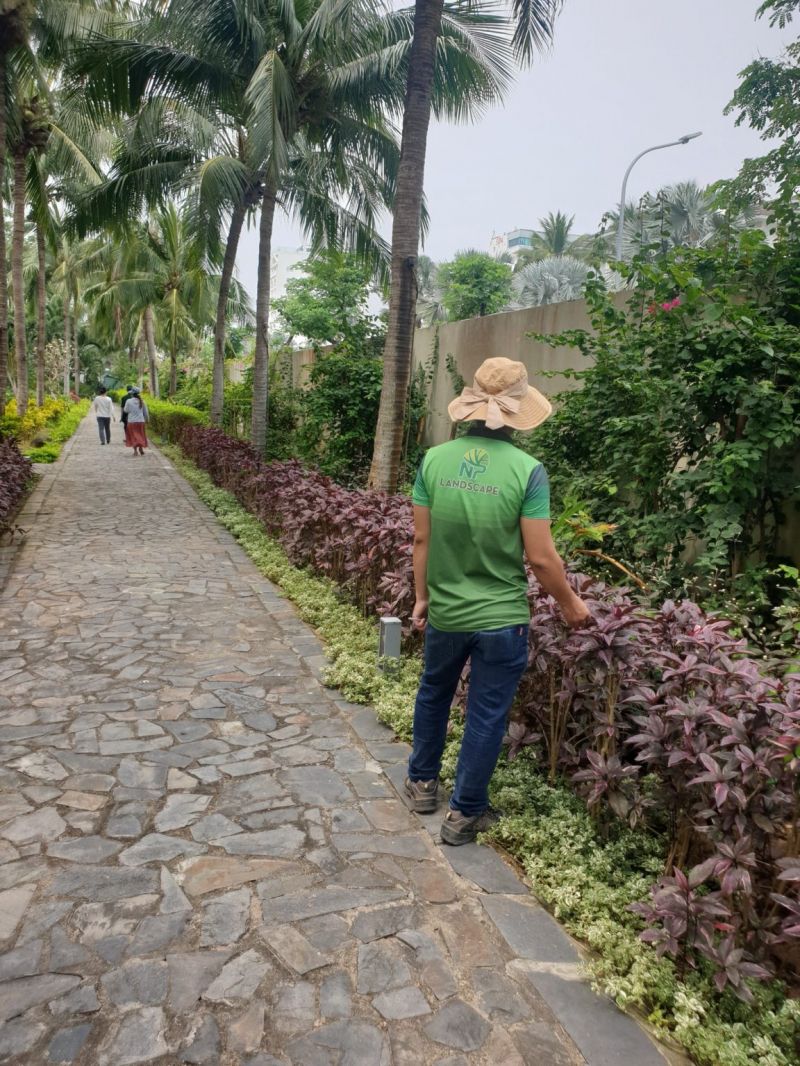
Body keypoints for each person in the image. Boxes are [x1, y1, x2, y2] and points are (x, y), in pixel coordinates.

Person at [405, 356, 590, 846]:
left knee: (434, 693)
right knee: (486, 714)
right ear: (517, 414)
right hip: (502, 619)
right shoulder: (529, 471)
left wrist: (421, 598)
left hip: (446, 612)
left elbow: (421, 541)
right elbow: (542, 558)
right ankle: (465, 814)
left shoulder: (434, 460)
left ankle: (422, 783)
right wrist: (572, 605)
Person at [123, 387, 149, 457]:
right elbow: (145, 412)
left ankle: (135, 451)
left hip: (131, 421)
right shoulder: (142, 401)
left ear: (132, 394)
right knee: (140, 435)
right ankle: (141, 448)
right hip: (141, 421)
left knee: (133, 436)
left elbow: (125, 410)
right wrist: (147, 420)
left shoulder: (128, 401)